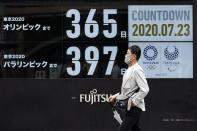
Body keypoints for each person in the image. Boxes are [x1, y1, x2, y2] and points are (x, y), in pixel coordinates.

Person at [107, 45, 149, 131]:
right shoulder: (129, 69)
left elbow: (145, 89)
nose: (126, 55)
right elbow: (127, 91)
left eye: (127, 53)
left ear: (134, 56)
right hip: (129, 108)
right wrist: (115, 96)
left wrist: (133, 101)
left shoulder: (137, 70)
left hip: (134, 108)